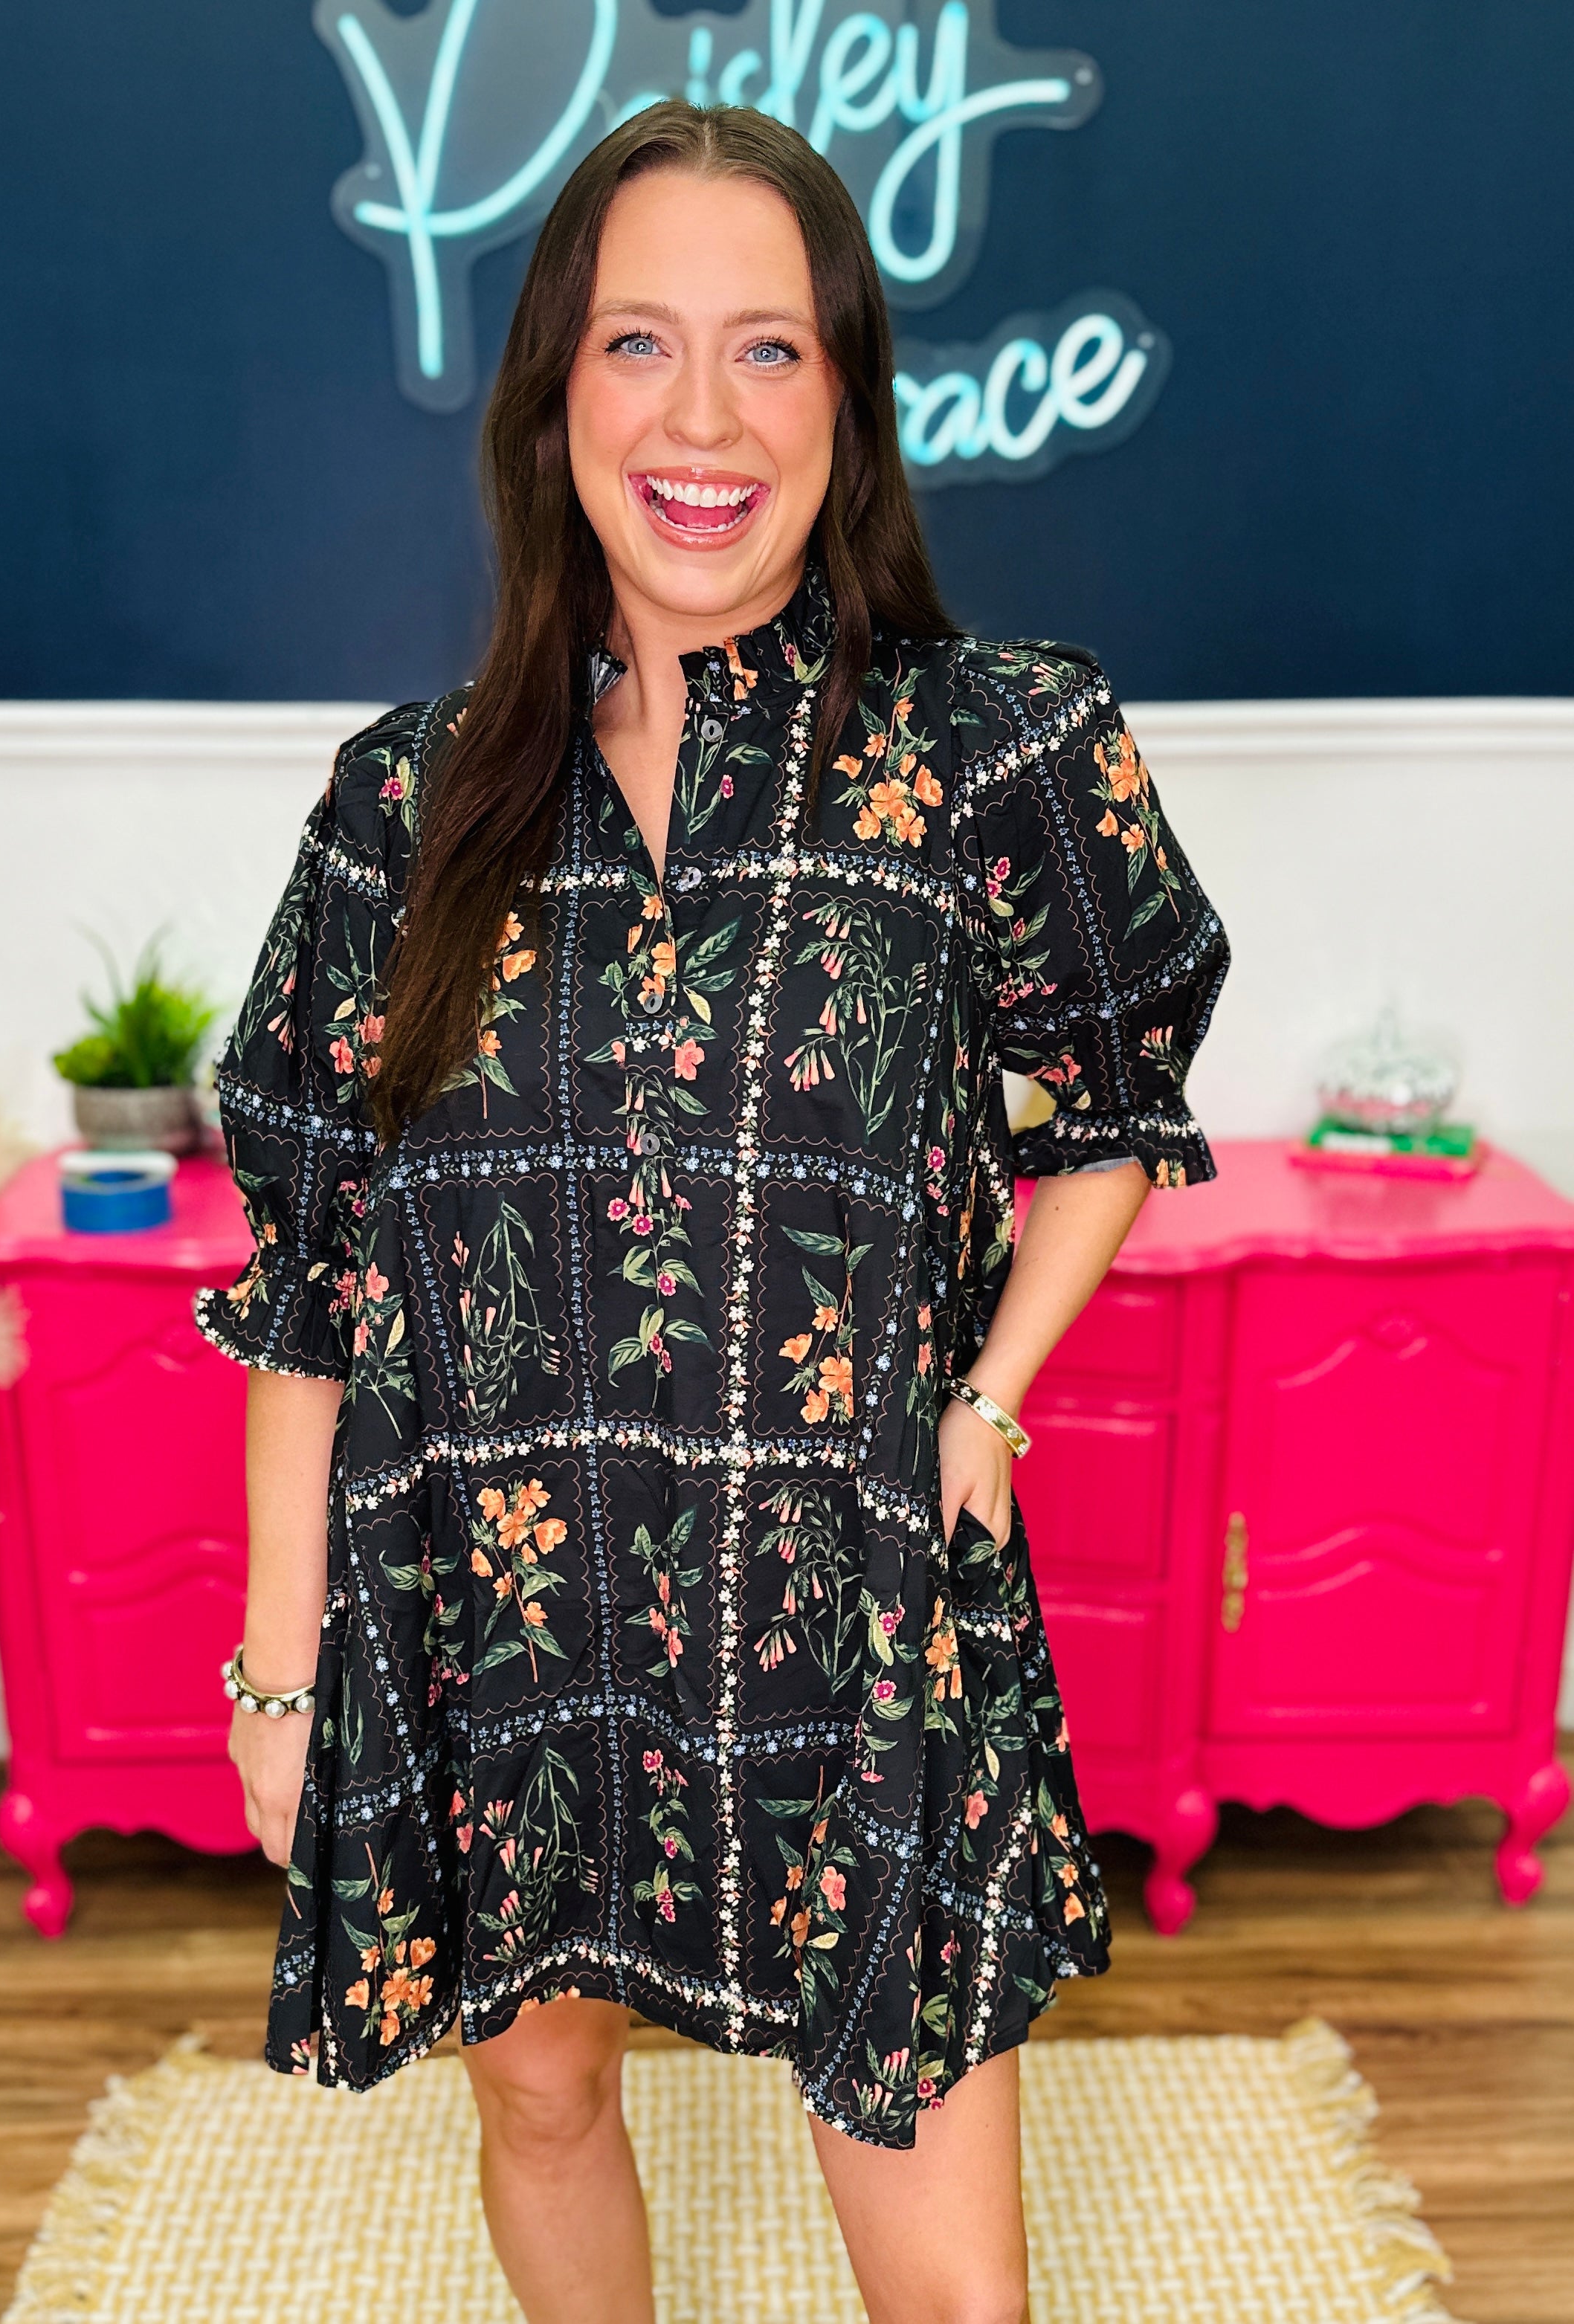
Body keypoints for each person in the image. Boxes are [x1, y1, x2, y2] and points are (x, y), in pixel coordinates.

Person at [196, 100, 1228, 2324]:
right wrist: (282, 1670)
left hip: (863, 1614)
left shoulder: (1000, 754)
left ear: (846, 400)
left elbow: (1118, 1104)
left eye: (769, 349)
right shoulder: (401, 807)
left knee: (953, 2288)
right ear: (552, 395)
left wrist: (990, 1395)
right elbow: (312, 1287)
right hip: (503, 1629)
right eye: (638, 344)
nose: (699, 419)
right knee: (544, 2100)